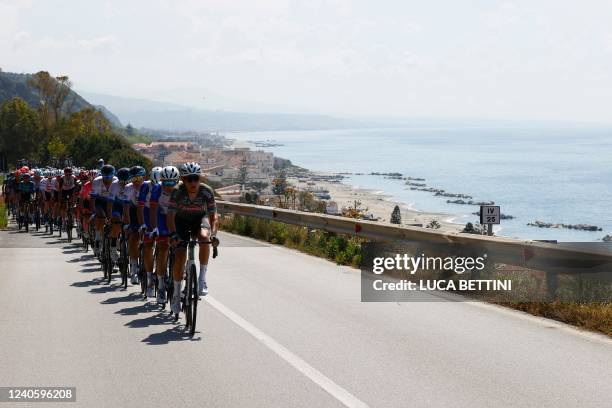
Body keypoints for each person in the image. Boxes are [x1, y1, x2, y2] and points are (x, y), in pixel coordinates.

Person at [167, 162, 218, 315]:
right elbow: (170, 216)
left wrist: (214, 234)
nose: (193, 182)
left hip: (199, 219)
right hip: (181, 221)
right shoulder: (177, 192)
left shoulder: (206, 192)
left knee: (204, 237)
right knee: (180, 255)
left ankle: (202, 279)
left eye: (196, 178)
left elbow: (213, 216)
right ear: (183, 179)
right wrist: (173, 234)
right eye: (189, 179)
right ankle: (176, 294)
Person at [150, 165, 180, 304]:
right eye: (165, 183)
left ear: (177, 181)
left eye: (172, 183)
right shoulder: (157, 189)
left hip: (177, 217)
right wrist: (154, 228)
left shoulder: (181, 190)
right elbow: (153, 210)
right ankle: (161, 285)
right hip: (161, 216)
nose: (168, 186)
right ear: (161, 181)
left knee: (179, 247)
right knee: (162, 248)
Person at [90, 165, 118, 257]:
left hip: (112, 201)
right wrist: (93, 212)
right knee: (101, 216)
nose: (107, 180)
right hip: (100, 201)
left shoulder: (116, 181)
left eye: (109, 177)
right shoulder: (97, 181)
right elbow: (93, 199)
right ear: (102, 175)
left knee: (115, 220)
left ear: (113, 175)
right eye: (105, 177)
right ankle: (98, 237)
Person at [124, 166, 146, 284]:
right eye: (133, 179)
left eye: (138, 178)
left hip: (146, 211)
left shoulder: (147, 186)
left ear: (144, 177)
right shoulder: (128, 188)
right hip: (133, 211)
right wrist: (127, 224)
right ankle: (134, 268)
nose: (136, 181)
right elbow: (126, 207)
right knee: (134, 237)